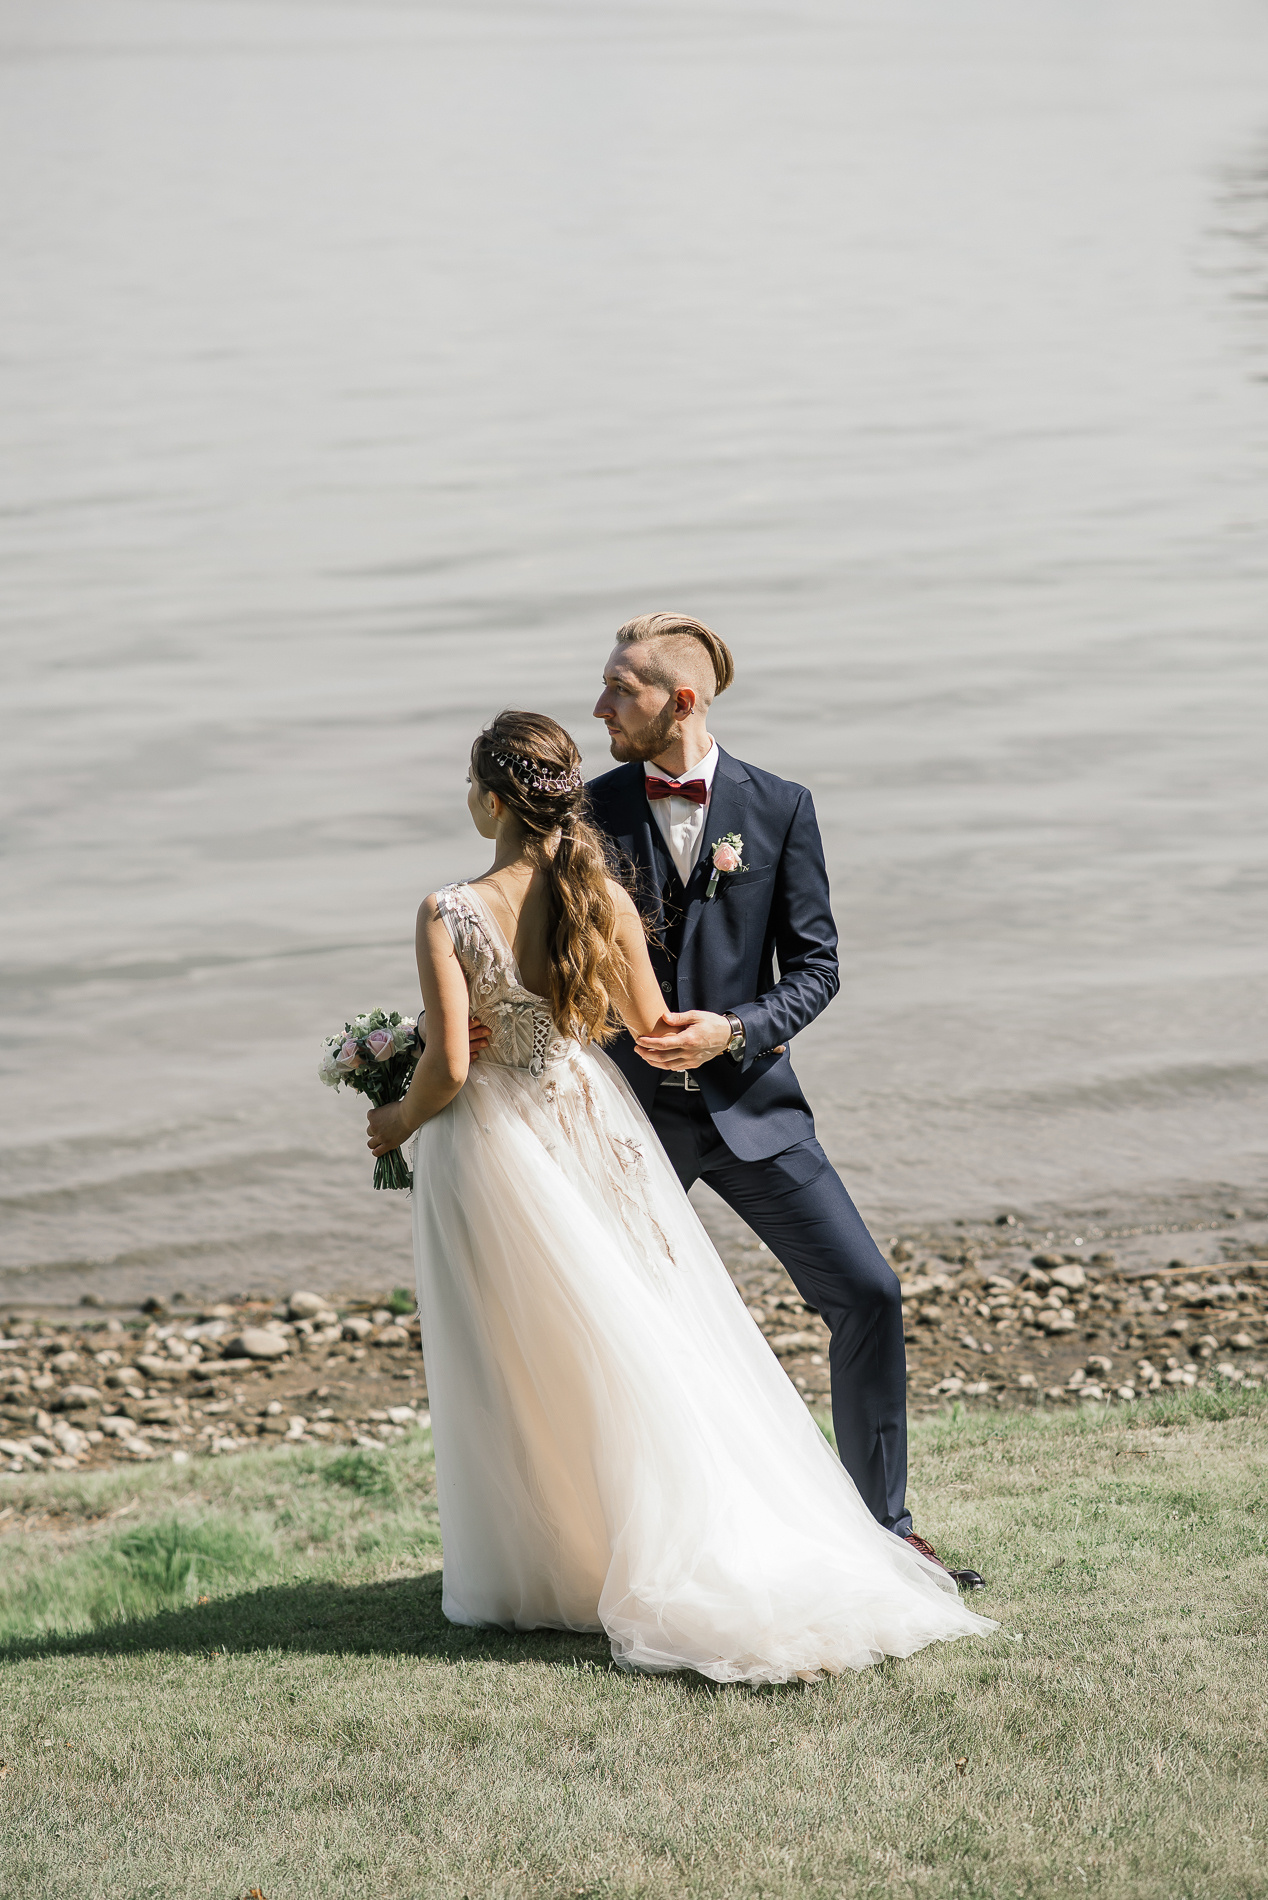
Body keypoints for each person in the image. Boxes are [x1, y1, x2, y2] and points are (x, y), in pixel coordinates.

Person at [367, 709, 993, 1681]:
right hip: (595, 1119)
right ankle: (656, 1532)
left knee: (525, 1348)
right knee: (632, 1330)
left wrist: (395, 1119)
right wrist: (588, 1028)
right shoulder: (602, 897)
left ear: (489, 801)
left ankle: (554, 1560)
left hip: (502, 1146)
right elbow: (652, 1024)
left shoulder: (448, 910)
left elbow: (449, 1066)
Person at [586, 612, 984, 1587]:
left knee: (867, 1292)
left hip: (753, 1110)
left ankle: (885, 1528)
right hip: (628, 1119)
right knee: (600, 1319)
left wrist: (734, 1029)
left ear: (680, 700)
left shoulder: (781, 806)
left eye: (619, 690)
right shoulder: (587, 812)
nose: (598, 707)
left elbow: (816, 967)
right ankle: (611, 1543)